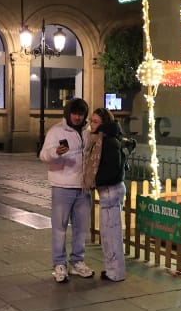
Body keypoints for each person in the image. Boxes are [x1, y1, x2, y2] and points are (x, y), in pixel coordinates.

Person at [38, 97, 95, 283]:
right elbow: (43, 155)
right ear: (68, 113)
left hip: (83, 188)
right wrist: (56, 152)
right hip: (62, 186)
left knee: (81, 228)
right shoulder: (56, 131)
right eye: (74, 113)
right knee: (59, 227)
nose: (77, 117)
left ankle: (77, 261)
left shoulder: (88, 133)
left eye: (81, 114)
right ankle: (59, 264)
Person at [83, 108, 134, 282]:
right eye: (91, 121)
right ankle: (112, 270)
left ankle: (116, 272)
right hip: (108, 191)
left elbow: (113, 169)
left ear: (104, 123)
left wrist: (96, 180)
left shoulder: (109, 141)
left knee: (111, 235)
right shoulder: (101, 139)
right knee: (108, 234)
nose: (91, 124)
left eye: (95, 121)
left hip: (110, 191)